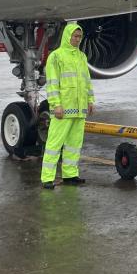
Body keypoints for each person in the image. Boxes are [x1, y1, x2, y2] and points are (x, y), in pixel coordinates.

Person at [42, 22, 95, 189]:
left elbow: (87, 81)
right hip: (62, 110)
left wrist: (90, 100)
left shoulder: (81, 57)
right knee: (54, 144)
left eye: (80, 37)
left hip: (79, 109)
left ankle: (70, 174)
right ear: (67, 36)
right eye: (75, 36)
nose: (77, 39)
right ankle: (47, 178)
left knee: (74, 144)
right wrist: (56, 105)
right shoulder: (56, 56)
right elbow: (52, 83)